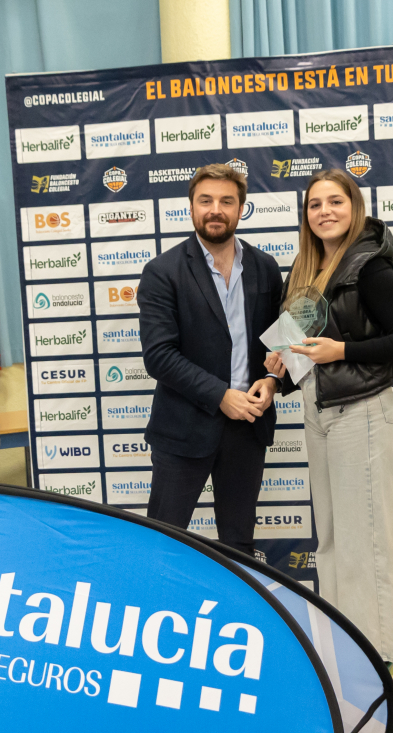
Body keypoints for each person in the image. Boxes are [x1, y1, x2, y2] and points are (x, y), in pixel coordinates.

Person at [266, 169, 393, 684]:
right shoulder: (307, 269)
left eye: (335, 202)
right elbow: (301, 351)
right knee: (332, 539)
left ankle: (380, 657)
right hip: (319, 409)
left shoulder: (369, 266)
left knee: (365, 540)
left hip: (361, 411)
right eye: (315, 204)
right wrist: (276, 374)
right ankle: (343, 644)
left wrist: (342, 350)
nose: (324, 212)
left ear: (354, 208)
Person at [138, 163, 284, 555]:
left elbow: (280, 346)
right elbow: (159, 355)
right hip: (182, 429)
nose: (215, 210)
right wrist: (220, 395)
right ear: (191, 207)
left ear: (241, 209)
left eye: (226, 201)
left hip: (248, 428)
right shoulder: (162, 272)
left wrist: (273, 381)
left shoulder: (265, 268)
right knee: (163, 542)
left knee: (239, 546)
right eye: (206, 201)